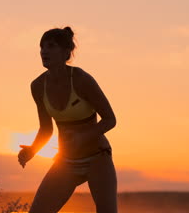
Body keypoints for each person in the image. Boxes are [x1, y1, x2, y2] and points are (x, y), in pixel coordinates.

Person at [18, 27, 117, 213]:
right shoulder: (38, 86)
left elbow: (110, 120)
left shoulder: (81, 79)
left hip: (97, 157)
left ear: (66, 52)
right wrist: (32, 150)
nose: (44, 51)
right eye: (41, 47)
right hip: (66, 162)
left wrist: (83, 137)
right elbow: (46, 129)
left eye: (51, 46)